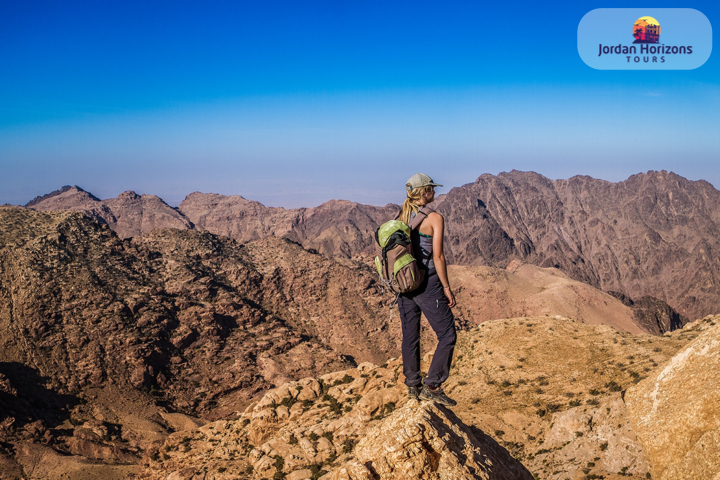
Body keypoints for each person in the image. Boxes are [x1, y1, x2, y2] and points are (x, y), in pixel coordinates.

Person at [397, 173, 457, 407]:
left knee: (411, 336)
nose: (434, 192)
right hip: (427, 283)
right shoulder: (434, 218)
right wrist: (447, 288)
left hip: (404, 284)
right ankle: (432, 385)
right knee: (448, 334)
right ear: (424, 192)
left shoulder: (402, 215)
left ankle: (413, 385)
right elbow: (438, 256)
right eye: (431, 188)